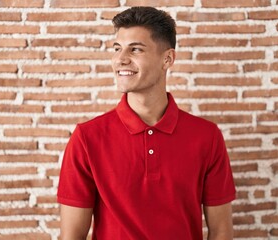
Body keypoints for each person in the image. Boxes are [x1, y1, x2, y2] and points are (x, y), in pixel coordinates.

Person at [57, 6, 236, 240]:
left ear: (167, 59)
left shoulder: (207, 136)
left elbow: (221, 232)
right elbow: (72, 236)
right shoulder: (87, 137)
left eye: (136, 49)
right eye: (117, 49)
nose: (120, 59)